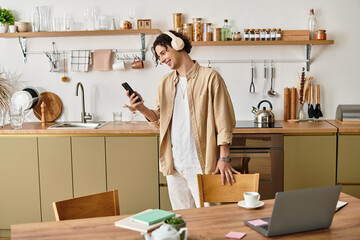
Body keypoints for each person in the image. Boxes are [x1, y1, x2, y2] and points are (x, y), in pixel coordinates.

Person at [125, 30, 239, 210]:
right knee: (182, 221)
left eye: (163, 52)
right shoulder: (165, 82)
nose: (162, 59)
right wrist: (142, 108)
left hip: (202, 164)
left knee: (210, 220)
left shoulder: (210, 78)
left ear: (178, 45)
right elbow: (161, 121)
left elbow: (224, 120)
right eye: (159, 56)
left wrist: (224, 158)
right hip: (174, 165)